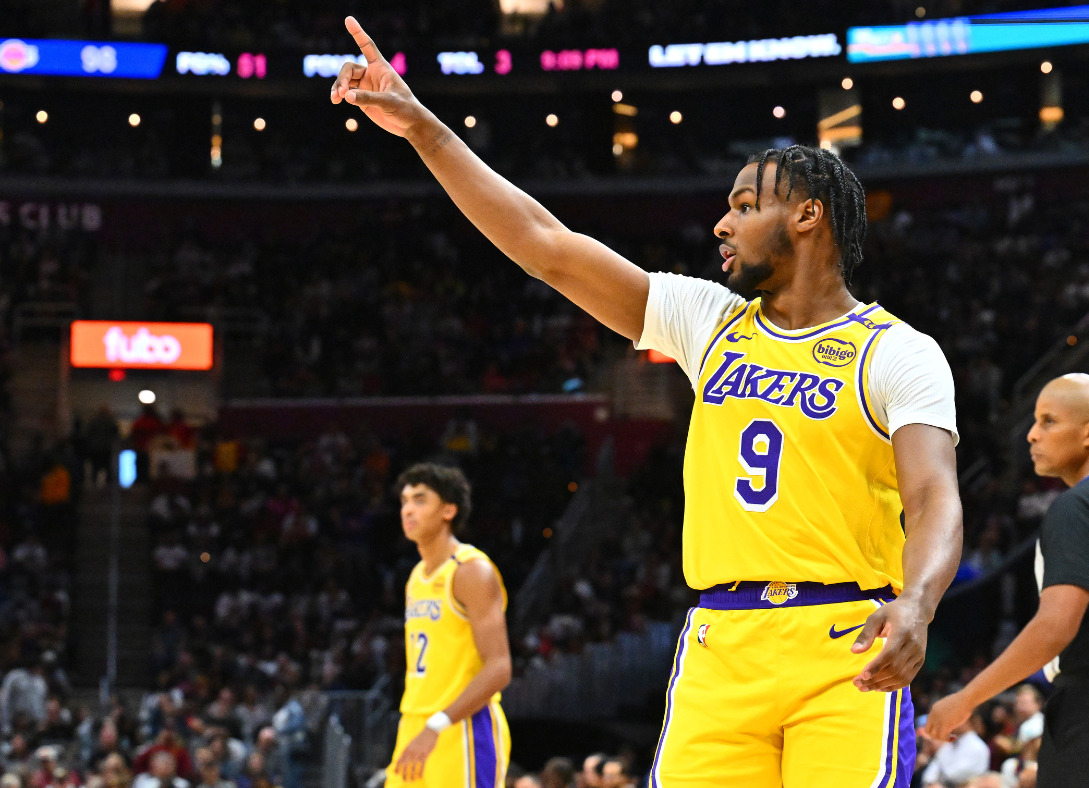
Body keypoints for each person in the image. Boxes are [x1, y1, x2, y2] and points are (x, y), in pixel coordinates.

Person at [331, 18, 963, 788]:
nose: (720, 223)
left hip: (845, 639)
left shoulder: (897, 350)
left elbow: (933, 496)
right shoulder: (710, 320)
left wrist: (921, 602)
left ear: (807, 215)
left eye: (742, 205)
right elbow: (546, 245)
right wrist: (424, 130)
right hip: (719, 642)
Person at [924, 374, 1089, 788]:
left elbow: (1055, 627)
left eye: (1048, 422)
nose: (1031, 435)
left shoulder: (1077, 506)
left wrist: (966, 699)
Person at [386, 464, 511, 788]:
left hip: (462, 726)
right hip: (415, 723)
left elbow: (499, 667)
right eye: (404, 501)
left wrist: (437, 725)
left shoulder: (472, 571)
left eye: (420, 499)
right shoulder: (416, 577)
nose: (408, 509)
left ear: (448, 510)